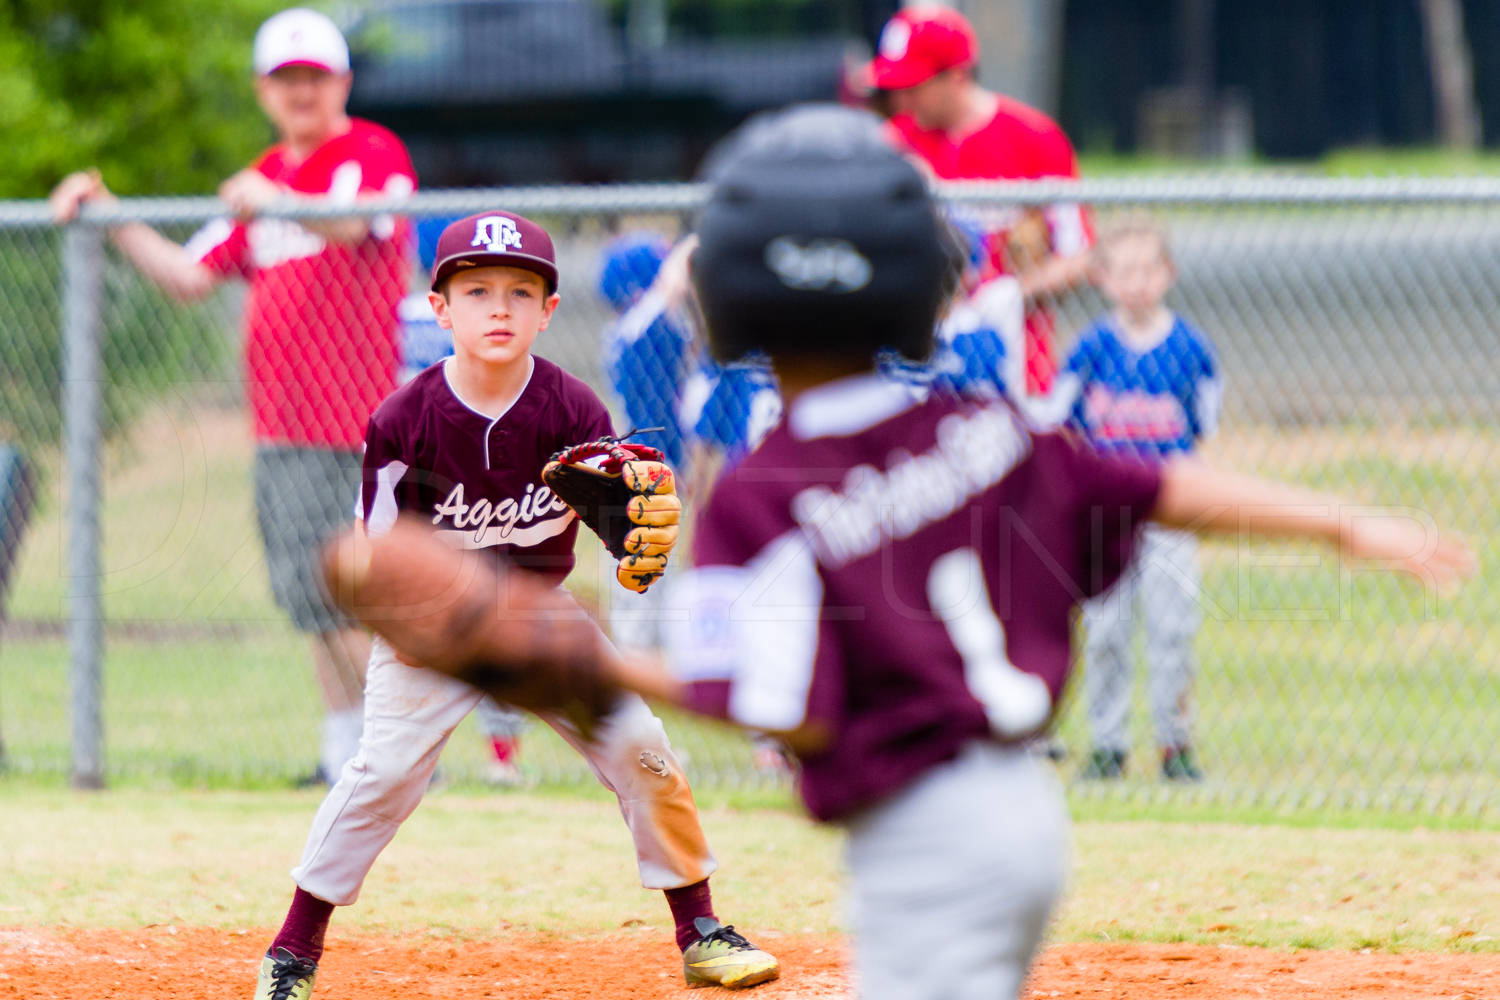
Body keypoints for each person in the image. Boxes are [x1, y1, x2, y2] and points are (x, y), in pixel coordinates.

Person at [506, 103, 1471, 1000]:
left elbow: (762, 701)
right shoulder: (984, 426)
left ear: (728, 293)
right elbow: (1165, 488)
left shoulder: (762, 492)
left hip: (923, 837)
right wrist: (1345, 525)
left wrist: (554, 653)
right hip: (1025, 813)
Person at [253, 210, 780, 1000]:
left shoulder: (572, 410)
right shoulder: (403, 419)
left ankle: (700, 930)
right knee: (382, 775)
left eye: (520, 292)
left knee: (642, 747)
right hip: (429, 632)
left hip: (539, 616)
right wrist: (421, 619)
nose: (499, 309)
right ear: (440, 309)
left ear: (549, 310)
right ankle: (293, 950)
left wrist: (633, 542)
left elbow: (620, 532)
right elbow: (379, 556)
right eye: (477, 292)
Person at [48, 7, 418, 787]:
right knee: (310, 600)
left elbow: (359, 225)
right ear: (262, 90)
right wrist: (111, 216)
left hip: (352, 425)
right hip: (281, 425)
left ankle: (401, 753)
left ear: (343, 81)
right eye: (286, 79)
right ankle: (343, 757)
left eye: (315, 76)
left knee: (341, 597)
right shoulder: (264, 175)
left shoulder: (369, 152)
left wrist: (274, 198)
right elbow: (190, 276)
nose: (301, 92)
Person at [1057, 214, 1222, 782]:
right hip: (1106, 511)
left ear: (1167, 274)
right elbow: (1063, 421)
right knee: (1105, 629)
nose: (1135, 283)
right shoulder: (1091, 349)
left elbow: (1202, 423)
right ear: (1102, 278)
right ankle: (1108, 745)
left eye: (1147, 270)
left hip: (1169, 507)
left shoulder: (1190, 348)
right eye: (1122, 272)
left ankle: (1175, 745)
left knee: (1173, 627)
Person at [866, 5, 1093, 398]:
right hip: (915, 370)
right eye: (896, 88)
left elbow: (1079, 255)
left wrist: (1008, 295)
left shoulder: (1033, 138)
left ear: (957, 75)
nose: (902, 100)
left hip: (1014, 367)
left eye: (914, 86)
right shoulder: (891, 144)